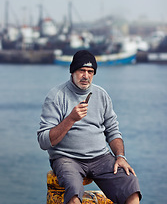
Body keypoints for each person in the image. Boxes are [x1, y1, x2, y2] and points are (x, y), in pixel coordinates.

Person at [37, 50, 142, 204]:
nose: (86, 76)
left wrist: (120, 157)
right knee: (73, 193)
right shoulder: (56, 96)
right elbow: (43, 141)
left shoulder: (101, 95)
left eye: (90, 72)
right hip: (67, 158)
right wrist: (71, 119)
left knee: (131, 185)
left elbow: (113, 131)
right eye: (82, 71)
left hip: (101, 158)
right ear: (72, 72)